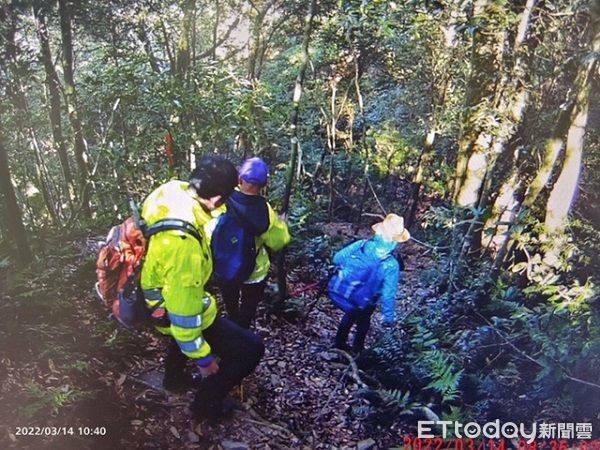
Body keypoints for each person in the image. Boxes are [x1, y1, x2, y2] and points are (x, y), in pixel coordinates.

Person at [139, 154, 265, 421]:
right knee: (251, 349)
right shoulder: (184, 249)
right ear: (218, 198)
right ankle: (205, 407)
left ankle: (173, 380)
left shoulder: (172, 191)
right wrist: (205, 361)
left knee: (183, 308)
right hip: (171, 305)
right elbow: (184, 320)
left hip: (159, 290)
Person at [216, 157, 290, 328]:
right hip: (254, 270)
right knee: (248, 307)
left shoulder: (222, 201)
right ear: (263, 186)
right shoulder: (266, 211)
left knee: (230, 300)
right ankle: (244, 330)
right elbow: (279, 242)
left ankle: (233, 321)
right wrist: (282, 225)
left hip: (224, 266)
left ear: (240, 179)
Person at [331, 213, 410, 354]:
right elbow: (388, 294)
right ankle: (357, 352)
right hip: (365, 301)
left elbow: (337, 259)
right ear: (395, 240)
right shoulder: (391, 264)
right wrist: (388, 318)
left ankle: (338, 344)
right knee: (363, 321)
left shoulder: (361, 245)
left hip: (345, 292)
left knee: (350, 314)